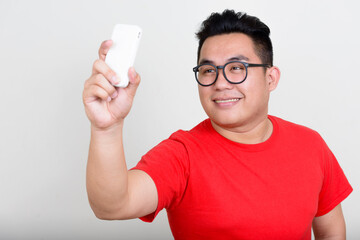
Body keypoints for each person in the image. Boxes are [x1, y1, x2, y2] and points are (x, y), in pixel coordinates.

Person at [82, 9, 352, 240]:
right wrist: (106, 128)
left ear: (271, 78)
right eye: (208, 70)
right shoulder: (181, 154)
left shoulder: (310, 145)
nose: (220, 83)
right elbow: (112, 206)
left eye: (237, 68)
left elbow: (332, 233)